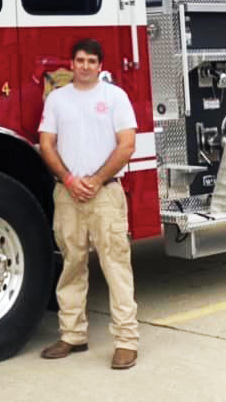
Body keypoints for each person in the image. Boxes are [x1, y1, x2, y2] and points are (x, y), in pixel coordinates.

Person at [38, 38, 140, 370]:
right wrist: (69, 180)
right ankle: (72, 335)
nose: (84, 66)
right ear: (71, 63)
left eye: (91, 61)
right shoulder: (57, 99)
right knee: (71, 266)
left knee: (116, 267)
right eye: (79, 60)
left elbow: (126, 145)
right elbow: (46, 144)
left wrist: (95, 180)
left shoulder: (115, 97)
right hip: (67, 195)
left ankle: (126, 341)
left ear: (100, 65)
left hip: (106, 193)